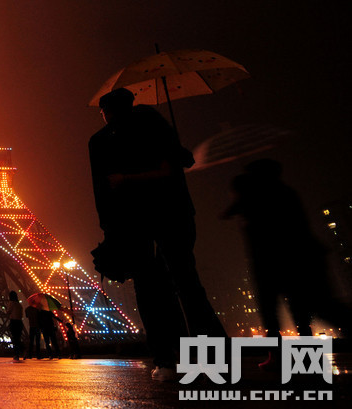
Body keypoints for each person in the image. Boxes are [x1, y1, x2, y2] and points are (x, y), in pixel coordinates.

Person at [88, 88, 225, 381]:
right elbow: (178, 166)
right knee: (185, 285)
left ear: (106, 112)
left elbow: (103, 192)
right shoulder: (156, 127)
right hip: (170, 215)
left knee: (152, 291)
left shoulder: (102, 140)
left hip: (136, 222)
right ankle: (211, 356)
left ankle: (166, 358)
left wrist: (109, 228)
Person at [224, 159, 352, 366]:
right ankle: (299, 356)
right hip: (293, 261)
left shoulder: (260, 198)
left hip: (276, 263)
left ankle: (280, 357)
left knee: (282, 312)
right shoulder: (281, 193)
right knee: (300, 311)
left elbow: (228, 213)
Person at [6, 291, 24, 361]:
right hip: (19, 322)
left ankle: (17, 353)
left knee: (15, 338)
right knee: (18, 338)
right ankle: (20, 351)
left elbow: (8, 311)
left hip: (14, 322)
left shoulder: (11, 303)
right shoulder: (19, 305)